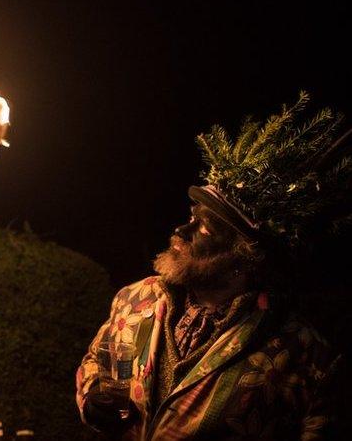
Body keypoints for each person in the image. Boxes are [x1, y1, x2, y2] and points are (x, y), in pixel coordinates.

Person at [76, 93, 348, 440]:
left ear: (245, 253)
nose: (180, 230)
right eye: (191, 217)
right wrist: (92, 395)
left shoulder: (301, 352)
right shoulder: (134, 298)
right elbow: (96, 359)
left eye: (204, 226)